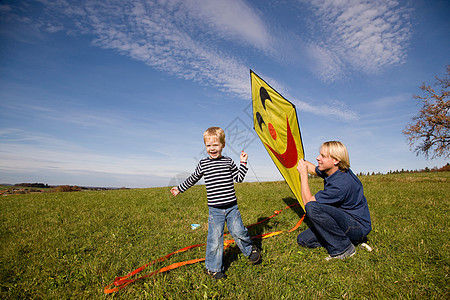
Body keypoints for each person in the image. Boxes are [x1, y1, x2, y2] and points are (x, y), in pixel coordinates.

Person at [171, 127, 261, 279]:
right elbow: (193, 178)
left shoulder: (228, 161)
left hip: (232, 207)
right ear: (205, 146)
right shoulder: (203, 164)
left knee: (239, 231)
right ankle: (212, 268)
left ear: (223, 145)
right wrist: (180, 188)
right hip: (215, 210)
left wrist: (243, 163)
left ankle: (249, 249)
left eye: (216, 145)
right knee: (215, 239)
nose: (212, 148)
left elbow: (238, 178)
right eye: (208, 145)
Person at [296, 141, 371, 261]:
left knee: (312, 207)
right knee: (303, 240)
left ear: (336, 160)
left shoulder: (341, 185)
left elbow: (308, 203)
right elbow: (313, 169)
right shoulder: (334, 170)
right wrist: (297, 160)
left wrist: (303, 175)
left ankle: (344, 249)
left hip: (357, 226)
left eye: (323, 156)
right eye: (319, 154)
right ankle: (346, 240)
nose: (317, 158)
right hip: (343, 220)